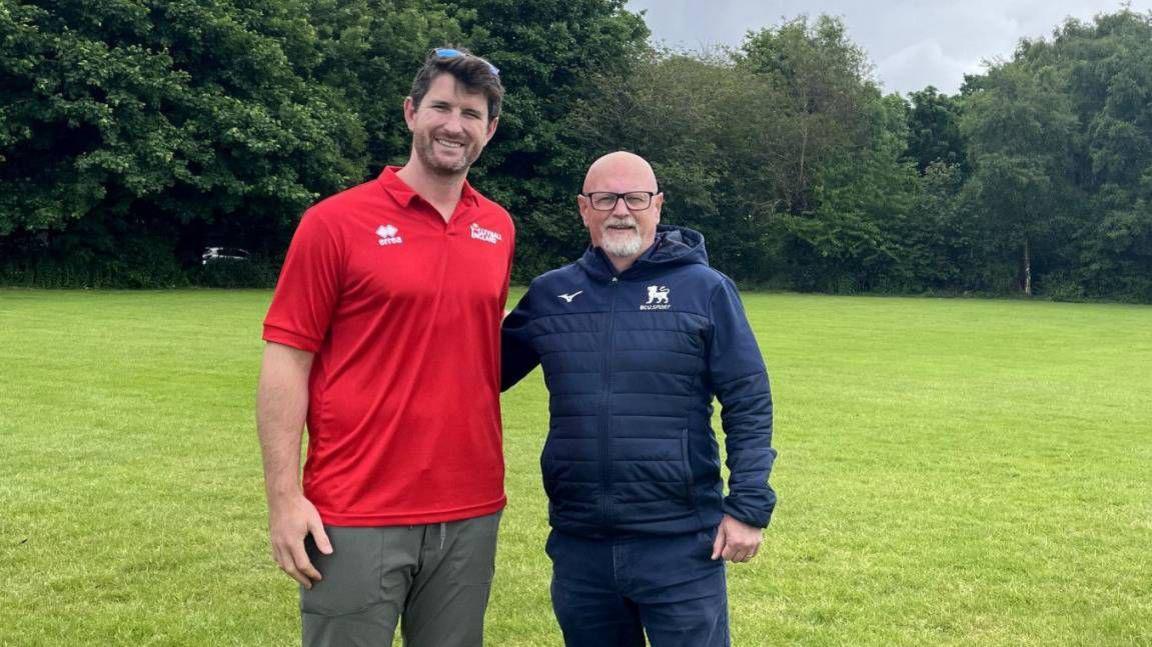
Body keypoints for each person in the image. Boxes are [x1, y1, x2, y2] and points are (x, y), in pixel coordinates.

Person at [256, 47, 513, 647]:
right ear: (410, 113)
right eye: (441, 107)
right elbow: (286, 362)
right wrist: (284, 499)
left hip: (471, 507)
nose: (455, 124)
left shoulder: (497, 227)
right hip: (355, 508)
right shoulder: (334, 223)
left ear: (489, 130)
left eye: (471, 113)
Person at [501, 151, 777, 647]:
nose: (621, 210)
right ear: (584, 208)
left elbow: (748, 400)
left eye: (635, 197)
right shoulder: (550, 294)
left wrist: (749, 506)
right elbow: (477, 374)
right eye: (606, 198)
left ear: (658, 205)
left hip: (682, 546)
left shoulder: (705, 290)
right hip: (580, 545)